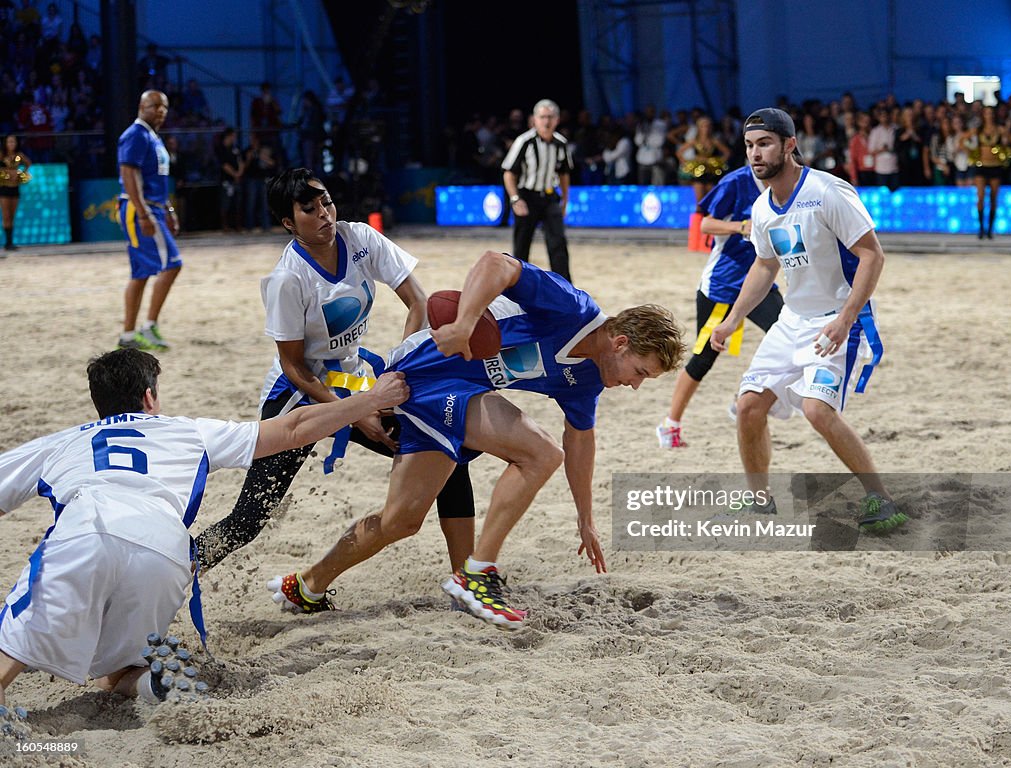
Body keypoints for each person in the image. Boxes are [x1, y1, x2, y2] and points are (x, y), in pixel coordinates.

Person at [269, 250, 685, 630]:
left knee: (401, 521)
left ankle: (306, 586)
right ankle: (477, 572)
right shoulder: (572, 309)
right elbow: (494, 263)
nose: (635, 385)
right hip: (428, 369)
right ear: (621, 342)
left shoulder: (589, 377)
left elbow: (581, 439)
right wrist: (466, 322)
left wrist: (586, 518)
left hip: (451, 393)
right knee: (540, 453)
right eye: (641, 373)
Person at [0, 348, 409, 707]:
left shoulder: (58, 442)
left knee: (9, 647)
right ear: (149, 396)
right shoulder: (188, 430)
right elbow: (294, 428)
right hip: (168, 551)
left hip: (89, 530)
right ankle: (152, 685)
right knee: (119, 669)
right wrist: (371, 398)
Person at [193, 168, 476, 580]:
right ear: (289, 223)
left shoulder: (359, 237)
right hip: (300, 394)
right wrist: (356, 410)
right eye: (310, 209)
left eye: (326, 202)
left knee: (445, 446)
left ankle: (467, 579)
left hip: (356, 374)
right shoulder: (288, 278)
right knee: (248, 519)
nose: (325, 213)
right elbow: (293, 366)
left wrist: (395, 373)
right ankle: (176, 567)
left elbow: (418, 301)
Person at [709, 107, 906, 533]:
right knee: (747, 406)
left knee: (817, 410)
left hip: (837, 318)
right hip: (791, 320)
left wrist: (845, 319)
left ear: (789, 145)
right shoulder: (762, 208)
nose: (755, 154)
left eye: (764, 144)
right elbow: (764, 267)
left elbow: (873, 255)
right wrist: (731, 320)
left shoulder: (828, 191)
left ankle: (882, 499)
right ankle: (760, 502)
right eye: (748, 146)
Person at [656, 162, 783, 449]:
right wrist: (741, 227)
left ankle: (742, 398)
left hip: (760, 283)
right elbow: (705, 224)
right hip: (722, 287)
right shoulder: (735, 182)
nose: (757, 153)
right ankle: (670, 425)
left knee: (785, 336)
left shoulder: (786, 183)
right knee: (704, 357)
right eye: (752, 145)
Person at [116, 90, 181, 351]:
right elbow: (129, 174)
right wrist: (144, 213)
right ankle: (149, 326)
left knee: (141, 273)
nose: (161, 111)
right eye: (155, 106)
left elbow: (155, 178)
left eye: (164, 107)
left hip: (151, 207)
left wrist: (168, 208)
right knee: (173, 264)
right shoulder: (136, 134)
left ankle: (129, 336)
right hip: (140, 209)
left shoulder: (151, 137)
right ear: (142, 106)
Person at [501, 98, 574, 283]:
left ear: (557, 119)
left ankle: (565, 288)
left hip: (550, 197)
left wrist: (565, 200)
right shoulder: (524, 141)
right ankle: (516, 287)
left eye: (550, 117)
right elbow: (509, 173)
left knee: (558, 244)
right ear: (534, 119)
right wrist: (515, 199)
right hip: (526, 196)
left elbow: (564, 173)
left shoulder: (561, 143)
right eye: (542, 117)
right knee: (522, 246)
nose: (546, 121)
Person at [968, 105, 1011, 239]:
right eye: (986, 113)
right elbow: (962, 140)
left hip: (995, 166)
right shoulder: (978, 130)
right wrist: (972, 153)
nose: (989, 115)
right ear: (983, 115)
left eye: (991, 113)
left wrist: (1006, 154)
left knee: (993, 198)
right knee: (980, 196)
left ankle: (990, 229)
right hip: (981, 166)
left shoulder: (1000, 130)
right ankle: (981, 229)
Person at [675, 115, 730, 204]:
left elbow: (727, 152)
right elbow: (679, 152)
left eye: (707, 126)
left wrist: (718, 162)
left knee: (711, 201)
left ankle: (709, 217)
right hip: (698, 173)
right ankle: (699, 216)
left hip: (711, 173)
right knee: (699, 202)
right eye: (703, 126)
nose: (706, 129)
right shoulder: (694, 141)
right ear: (699, 128)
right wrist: (687, 163)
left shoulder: (714, 141)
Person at [0, 134, 30, 252]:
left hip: (15, 188)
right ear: (5, 143)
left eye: (13, 142)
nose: (11, 144)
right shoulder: (2, 155)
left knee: (12, 216)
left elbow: (28, 163)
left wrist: (21, 174)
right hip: (4, 188)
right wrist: (4, 174)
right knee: (6, 215)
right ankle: (7, 243)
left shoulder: (18, 156)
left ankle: (10, 242)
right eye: (9, 142)